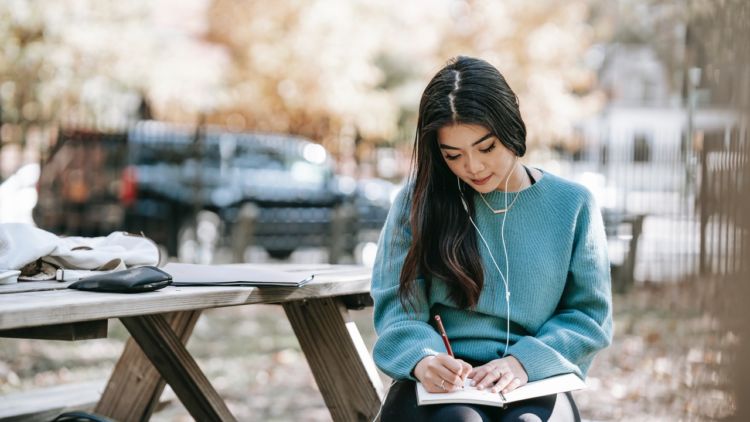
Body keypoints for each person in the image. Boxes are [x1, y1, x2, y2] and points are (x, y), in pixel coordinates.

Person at [371, 56, 613, 422]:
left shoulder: (573, 205)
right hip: (445, 384)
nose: (474, 167)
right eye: (454, 155)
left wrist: (524, 362)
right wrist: (423, 358)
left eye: (486, 148)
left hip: (534, 378)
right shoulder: (417, 202)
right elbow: (397, 307)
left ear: (511, 128)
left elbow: (589, 316)